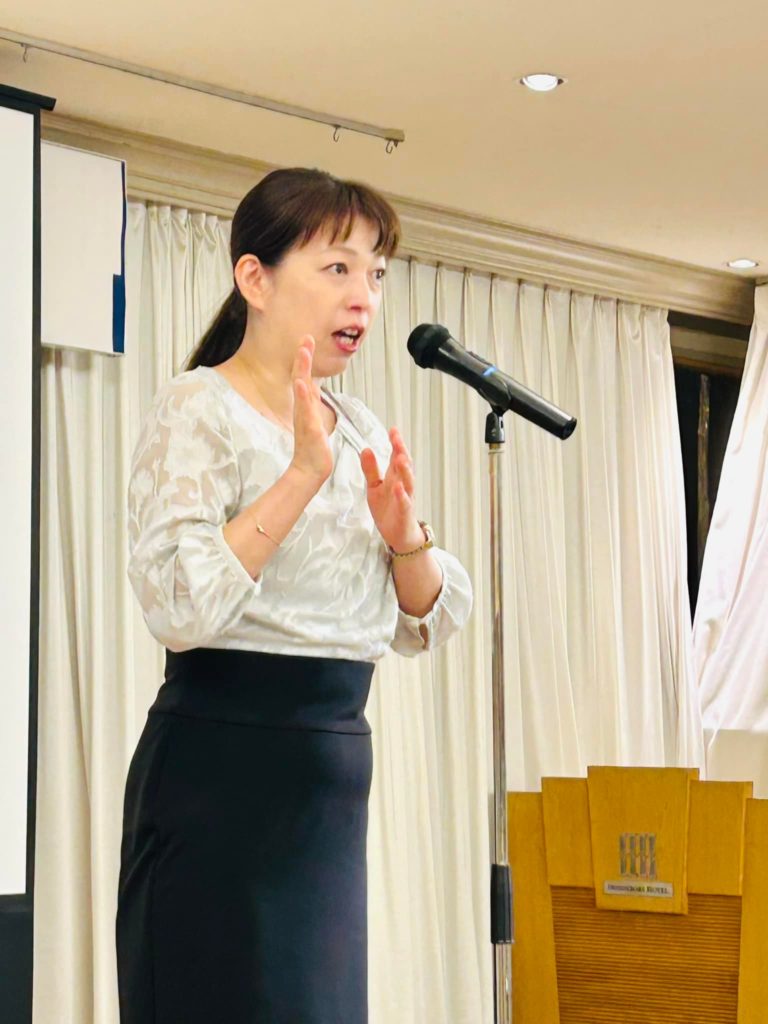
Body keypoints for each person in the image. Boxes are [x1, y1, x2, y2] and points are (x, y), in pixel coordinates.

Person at [117, 167, 473, 1024]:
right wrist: (303, 474)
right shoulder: (199, 407)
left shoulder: (358, 426)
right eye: (338, 268)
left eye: (376, 273)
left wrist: (404, 536)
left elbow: (426, 622)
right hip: (218, 776)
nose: (364, 296)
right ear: (256, 278)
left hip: (329, 787)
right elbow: (179, 603)